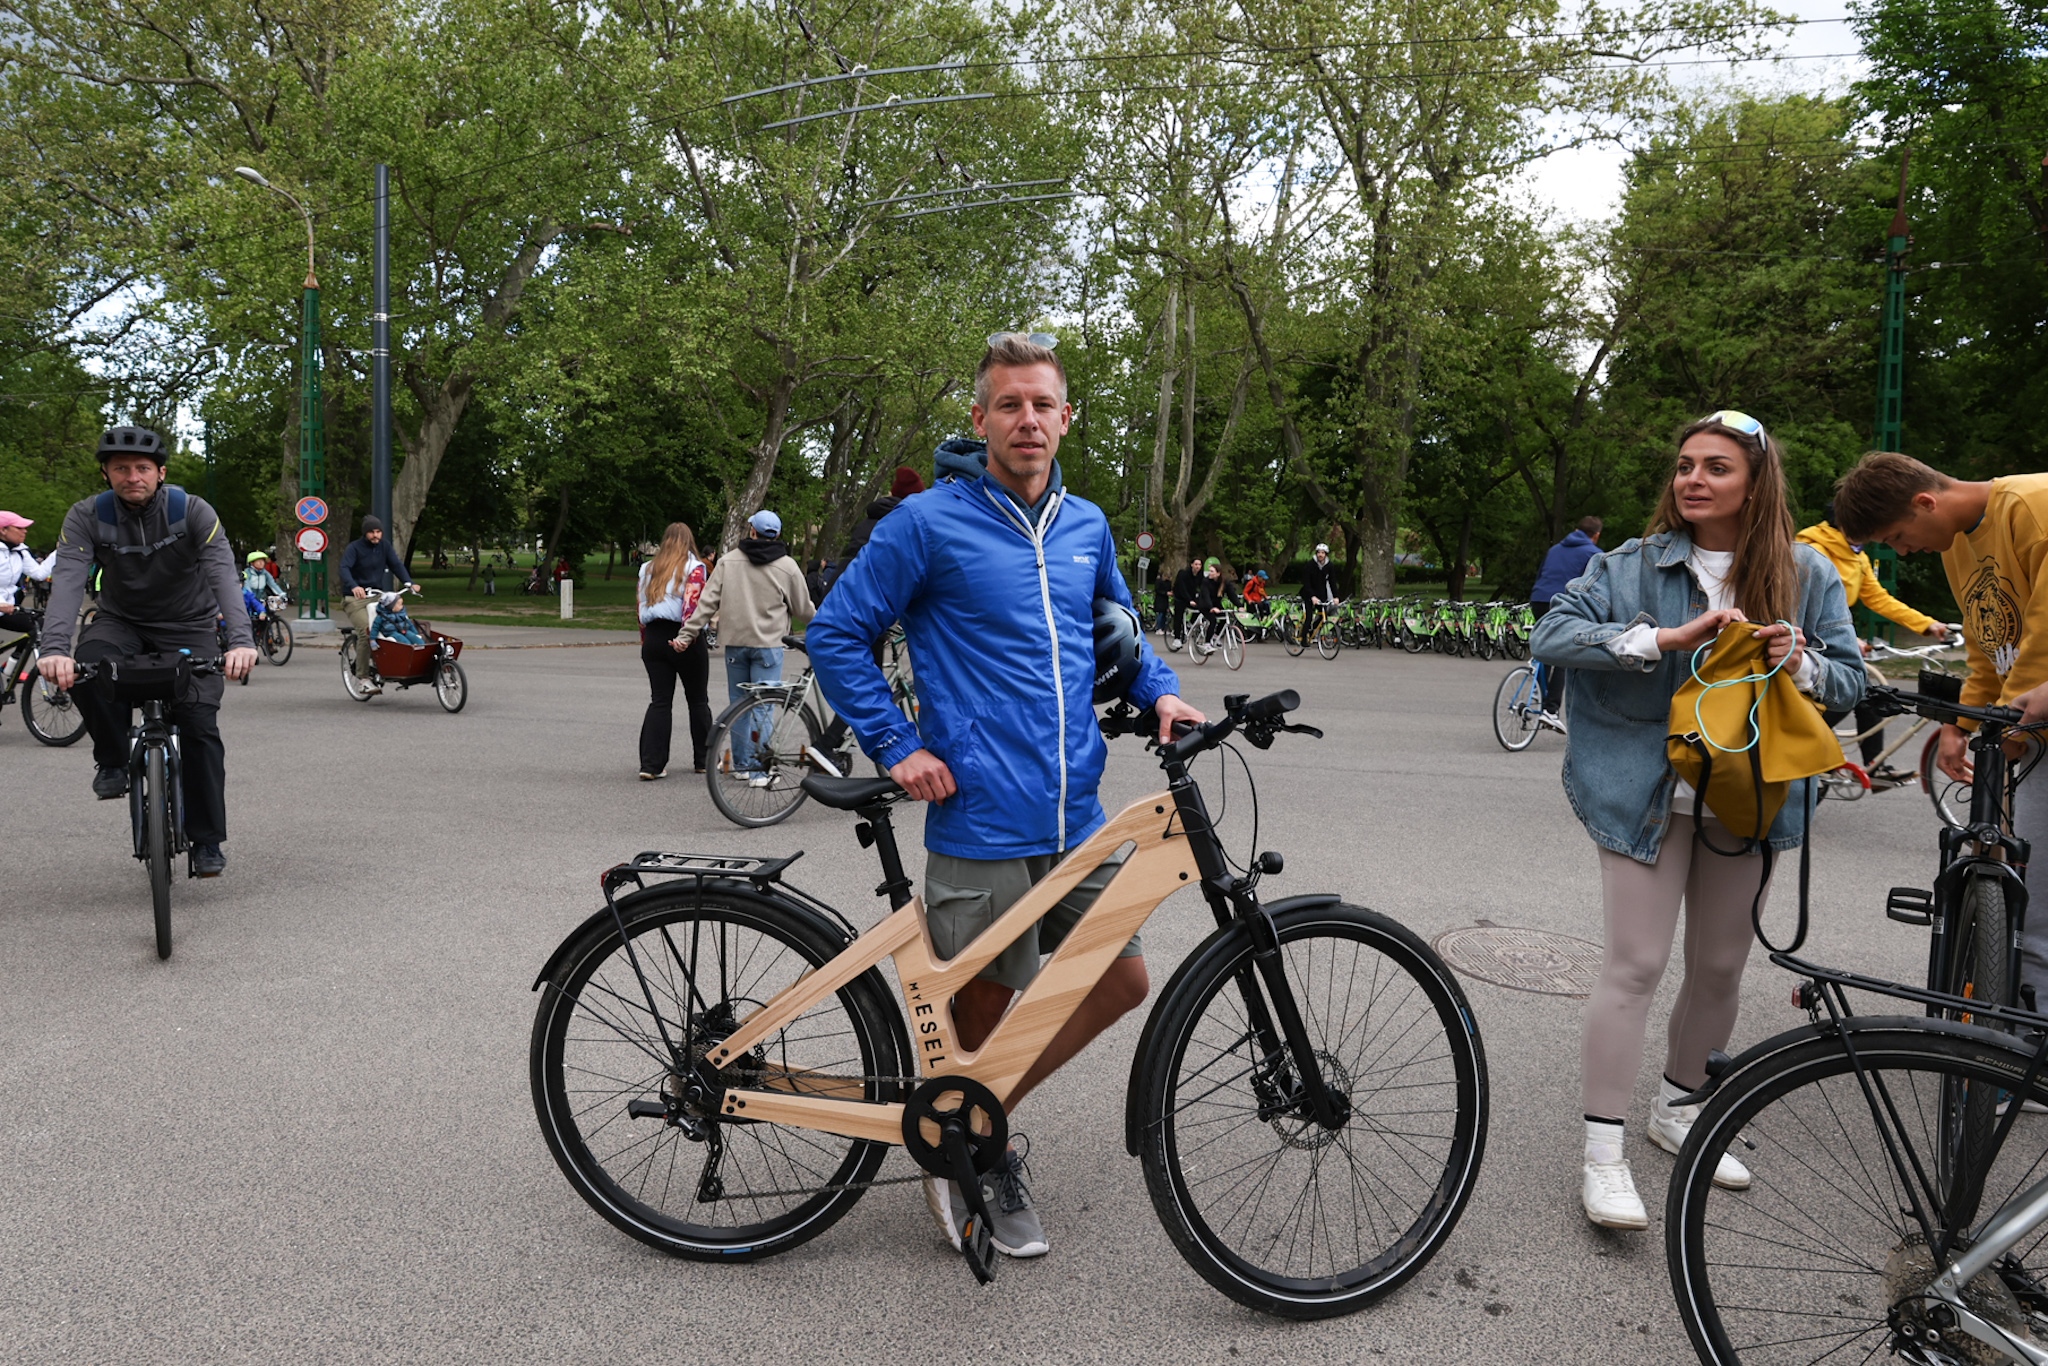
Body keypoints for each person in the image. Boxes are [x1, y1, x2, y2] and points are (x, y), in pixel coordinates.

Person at [807, 333, 1203, 1262]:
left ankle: (969, 1124)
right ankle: (970, 1150)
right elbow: (835, 634)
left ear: (1067, 418)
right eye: (1010, 405)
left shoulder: (1087, 525)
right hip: (980, 814)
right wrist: (899, 745)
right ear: (981, 419)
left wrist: (1162, 691)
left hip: (1076, 814)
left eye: (1043, 405)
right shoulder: (926, 524)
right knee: (984, 1005)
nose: (1028, 420)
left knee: (1122, 978)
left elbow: (1118, 633)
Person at [1531, 410, 1862, 1231]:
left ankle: (1679, 1108)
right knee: (1635, 966)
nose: (1693, 480)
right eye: (1685, 466)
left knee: (1719, 966)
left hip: (1750, 793)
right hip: (1645, 789)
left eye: (1715, 467)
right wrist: (1659, 638)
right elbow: (1552, 631)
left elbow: (1852, 680)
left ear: (1756, 481)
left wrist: (1803, 660)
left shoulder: (1807, 572)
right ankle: (1602, 1158)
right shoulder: (1629, 564)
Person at [1834, 451, 2048, 1009]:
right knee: (2028, 891)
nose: (1904, 550)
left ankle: (2026, 1057)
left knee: (2041, 902)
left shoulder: (2033, 506)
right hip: (2030, 723)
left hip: (2037, 717)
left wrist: (2005, 730)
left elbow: (2044, 644)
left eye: (1900, 535)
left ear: (1926, 501)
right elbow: (1988, 651)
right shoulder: (1958, 544)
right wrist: (1960, 724)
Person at [36, 427, 260, 877]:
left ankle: (206, 840)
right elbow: (69, 581)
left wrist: (240, 640)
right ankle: (114, 757)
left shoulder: (192, 511)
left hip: (189, 625)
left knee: (199, 726)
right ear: (106, 473)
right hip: (122, 623)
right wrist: (54, 648)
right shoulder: (86, 515)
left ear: (160, 473)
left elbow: (222, 575)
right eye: (121, 468)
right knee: (87, 668)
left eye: (142, 468)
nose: (132, 476)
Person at [1797, 501, 1951, 783]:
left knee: (1868, 694)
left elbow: (1878, 599)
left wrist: (1927, 625)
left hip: (1832, 640)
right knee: (1854, 695)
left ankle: (1873, 766)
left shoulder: (1856, 554)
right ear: (1845, 522)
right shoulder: (1813, 550)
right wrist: (1849, 638)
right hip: (1807, 643)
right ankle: (1803, 748)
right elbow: (1806, 605)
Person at [674, 509, 814, 778]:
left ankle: (741, 765)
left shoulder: (728, 561)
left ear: (752, 531)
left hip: (736, 644)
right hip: (769, 646)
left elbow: (706, 604)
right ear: (778, 535)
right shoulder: (787, 566)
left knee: (738, 705)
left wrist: (686, 634)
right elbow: (804, 611)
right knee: (763, 706)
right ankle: (759, 771)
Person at [637, 522, 712, 779]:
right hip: (684, 635)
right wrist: (687, 637)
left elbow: (640, 607)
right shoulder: (695, 567)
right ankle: (703, 759)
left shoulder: (647, 568)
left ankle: (651, 764)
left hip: (655, 636)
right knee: (698, 700)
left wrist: (646, 640)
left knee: (660, 700)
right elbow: (692, 606)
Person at [1530, 517, 1603, 715]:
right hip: (1563, 602)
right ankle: (1551, 710)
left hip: (1538, 599)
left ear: (1576, 529)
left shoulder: (1554, 550)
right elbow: (1596, 587)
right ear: (1596, 535)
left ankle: (1535, 693)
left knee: (1544, 648)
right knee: (1564, 654)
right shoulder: (1594, 554)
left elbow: (1540, 575)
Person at [338, 516, 418, 694]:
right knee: (366, 631)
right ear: (365, 533)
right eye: (372, 532)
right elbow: (344, 568)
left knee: (397, 623)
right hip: (355, 599)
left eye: (378, 531)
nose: (376, 535)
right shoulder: (354, 548)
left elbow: (396, 564)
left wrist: (408, 582)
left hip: (377, 596)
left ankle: (392, 665)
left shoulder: (384, 546)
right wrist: (354, 586)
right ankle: (363, 678)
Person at [0, 510, 56, 635]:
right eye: (19, 528)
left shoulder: (20, 551)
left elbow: (39, 573)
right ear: (3, 530)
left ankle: (17, 655)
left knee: (40, 625)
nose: (25, 531)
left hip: (7, 609)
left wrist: (59, 551)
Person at [1298, 543, 1340, 634]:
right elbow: (1306, 583)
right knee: (1309, 617)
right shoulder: (1310, 565)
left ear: (1326, 554)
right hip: (1308, 594)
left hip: (1320, 594)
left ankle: (1312, 632)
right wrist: (1312, 596)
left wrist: (1335, 597)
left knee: (1323, 615)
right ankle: (1303, 638)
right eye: (1319, 553)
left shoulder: (1329, 566)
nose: (1320, 555)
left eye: (1322, 553)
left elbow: (1332, 582)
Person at [1171, 556, 1202, 643]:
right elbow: (1182, 588)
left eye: (1199, 564)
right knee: (1179, 615)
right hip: (1180, 597)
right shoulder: (1183, 573)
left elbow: (1202, 587)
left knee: (1201, 607)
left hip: (1191, 597)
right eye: (1196, 564)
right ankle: (1176, 638)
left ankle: (1190, 623)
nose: (1198, 566)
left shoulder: (1200, 575)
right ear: (1191, 565)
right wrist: (1189, 600)